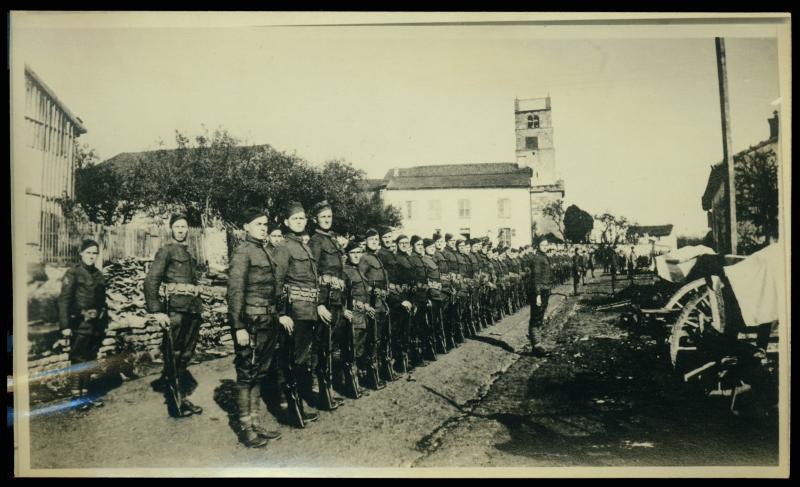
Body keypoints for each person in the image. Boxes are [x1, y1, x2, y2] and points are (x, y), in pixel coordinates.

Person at [226, 208, 285, 447]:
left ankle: (256, 422)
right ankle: (246, 428)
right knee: (246, 374)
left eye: (265, 224)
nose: (263, 228)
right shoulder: (243, 252)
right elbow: (235, 292)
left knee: (260, 372)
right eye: (258, 224)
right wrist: (238, 327)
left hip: (268, 322)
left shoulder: (265, 251)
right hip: (250, 323)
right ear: (246, 227)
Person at [144, 214, 204, 418]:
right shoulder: (166, 251)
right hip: (176, 311)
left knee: (186, 355)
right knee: (174, 355)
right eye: (177, 226)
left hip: (192, 310)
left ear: (188, 229)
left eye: (183, 226)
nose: (180, 230)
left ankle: (182, 398)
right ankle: (175, 402)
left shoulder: (190, 253)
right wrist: (157, 311)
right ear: (171, 229)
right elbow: (151, 281)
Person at [272, 201, 324, 425]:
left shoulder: (305, 246)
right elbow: (277, 282)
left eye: (302, 218)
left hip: (308, 311)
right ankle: (293, 410)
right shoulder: (283, 247)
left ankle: (299, 404)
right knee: (293, 359)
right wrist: (281, 313)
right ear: (286, 222)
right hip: (294, 313)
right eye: (295, 219)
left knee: (302, 358)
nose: (300, 222)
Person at [58, 239, 107, 411]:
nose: (91, 256)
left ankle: (86, 395)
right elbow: (64, 300)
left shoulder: (98, 274)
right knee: (78, 358)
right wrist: (65, 326)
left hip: (96, 325)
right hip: (80, 323)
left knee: (91, 358)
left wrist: (103, 322)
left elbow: (102, 301)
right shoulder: (73, 273)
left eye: (95, 253)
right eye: (88, 253)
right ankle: (76, 398)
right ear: (81, 253)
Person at [308, 200, 346, 411]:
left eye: (329, 216)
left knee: (333, 345)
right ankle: (321, 391)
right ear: (316, 219)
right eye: (323, 217)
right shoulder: (316, 241)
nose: (327, 220)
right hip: (325, 301)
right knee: (323, 345)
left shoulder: (332, 240)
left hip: (337, 299)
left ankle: (329, 389)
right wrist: (319, 304)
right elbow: (312, 275)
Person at [359, 228, 398, 383]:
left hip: (381, 303)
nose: (374, 242)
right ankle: (370, 374)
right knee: (372, 339)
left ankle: (381, 370)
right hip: (372, 303)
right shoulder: (364, 258)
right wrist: (369, 297)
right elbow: (361, 281)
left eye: (376, 239)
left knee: (381, 337)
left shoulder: (377, 258)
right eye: (371, 239)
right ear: (366, 242)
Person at [392, 235, 416, 372]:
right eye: (401, 243)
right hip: (400, 300)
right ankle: (398, 362)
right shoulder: (395, 259)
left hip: (409, 297)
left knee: (407, 331)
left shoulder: (409, 258)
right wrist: (401, 300)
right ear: (397, 244)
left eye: (406, 243)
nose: (404, 245)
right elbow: (392, 283)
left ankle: (406, 360)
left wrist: (413, 301)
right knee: (398, 332)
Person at [422, 237, 447, 354]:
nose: (432, 249)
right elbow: (425, 280)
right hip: (431, 295)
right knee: (430, 323)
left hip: (437, 295)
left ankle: (437, 347)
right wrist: (427, 297)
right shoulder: (424, 261)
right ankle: (430, 349)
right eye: (429, 247)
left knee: (437, 321)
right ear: (424, 248)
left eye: (433, 247)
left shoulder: (433, 260)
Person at [529, 239, 553, 354]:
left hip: (545, 290)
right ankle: (536, 345)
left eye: (546, 244)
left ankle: (537, 343)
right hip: (539, 291)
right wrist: (537, 294)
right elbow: (536, 277)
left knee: (540, 317)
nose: (544, 246)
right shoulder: (538, 258)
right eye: (542, 245)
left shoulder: (544, 257)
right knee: (536, 318)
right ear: (538, 246)